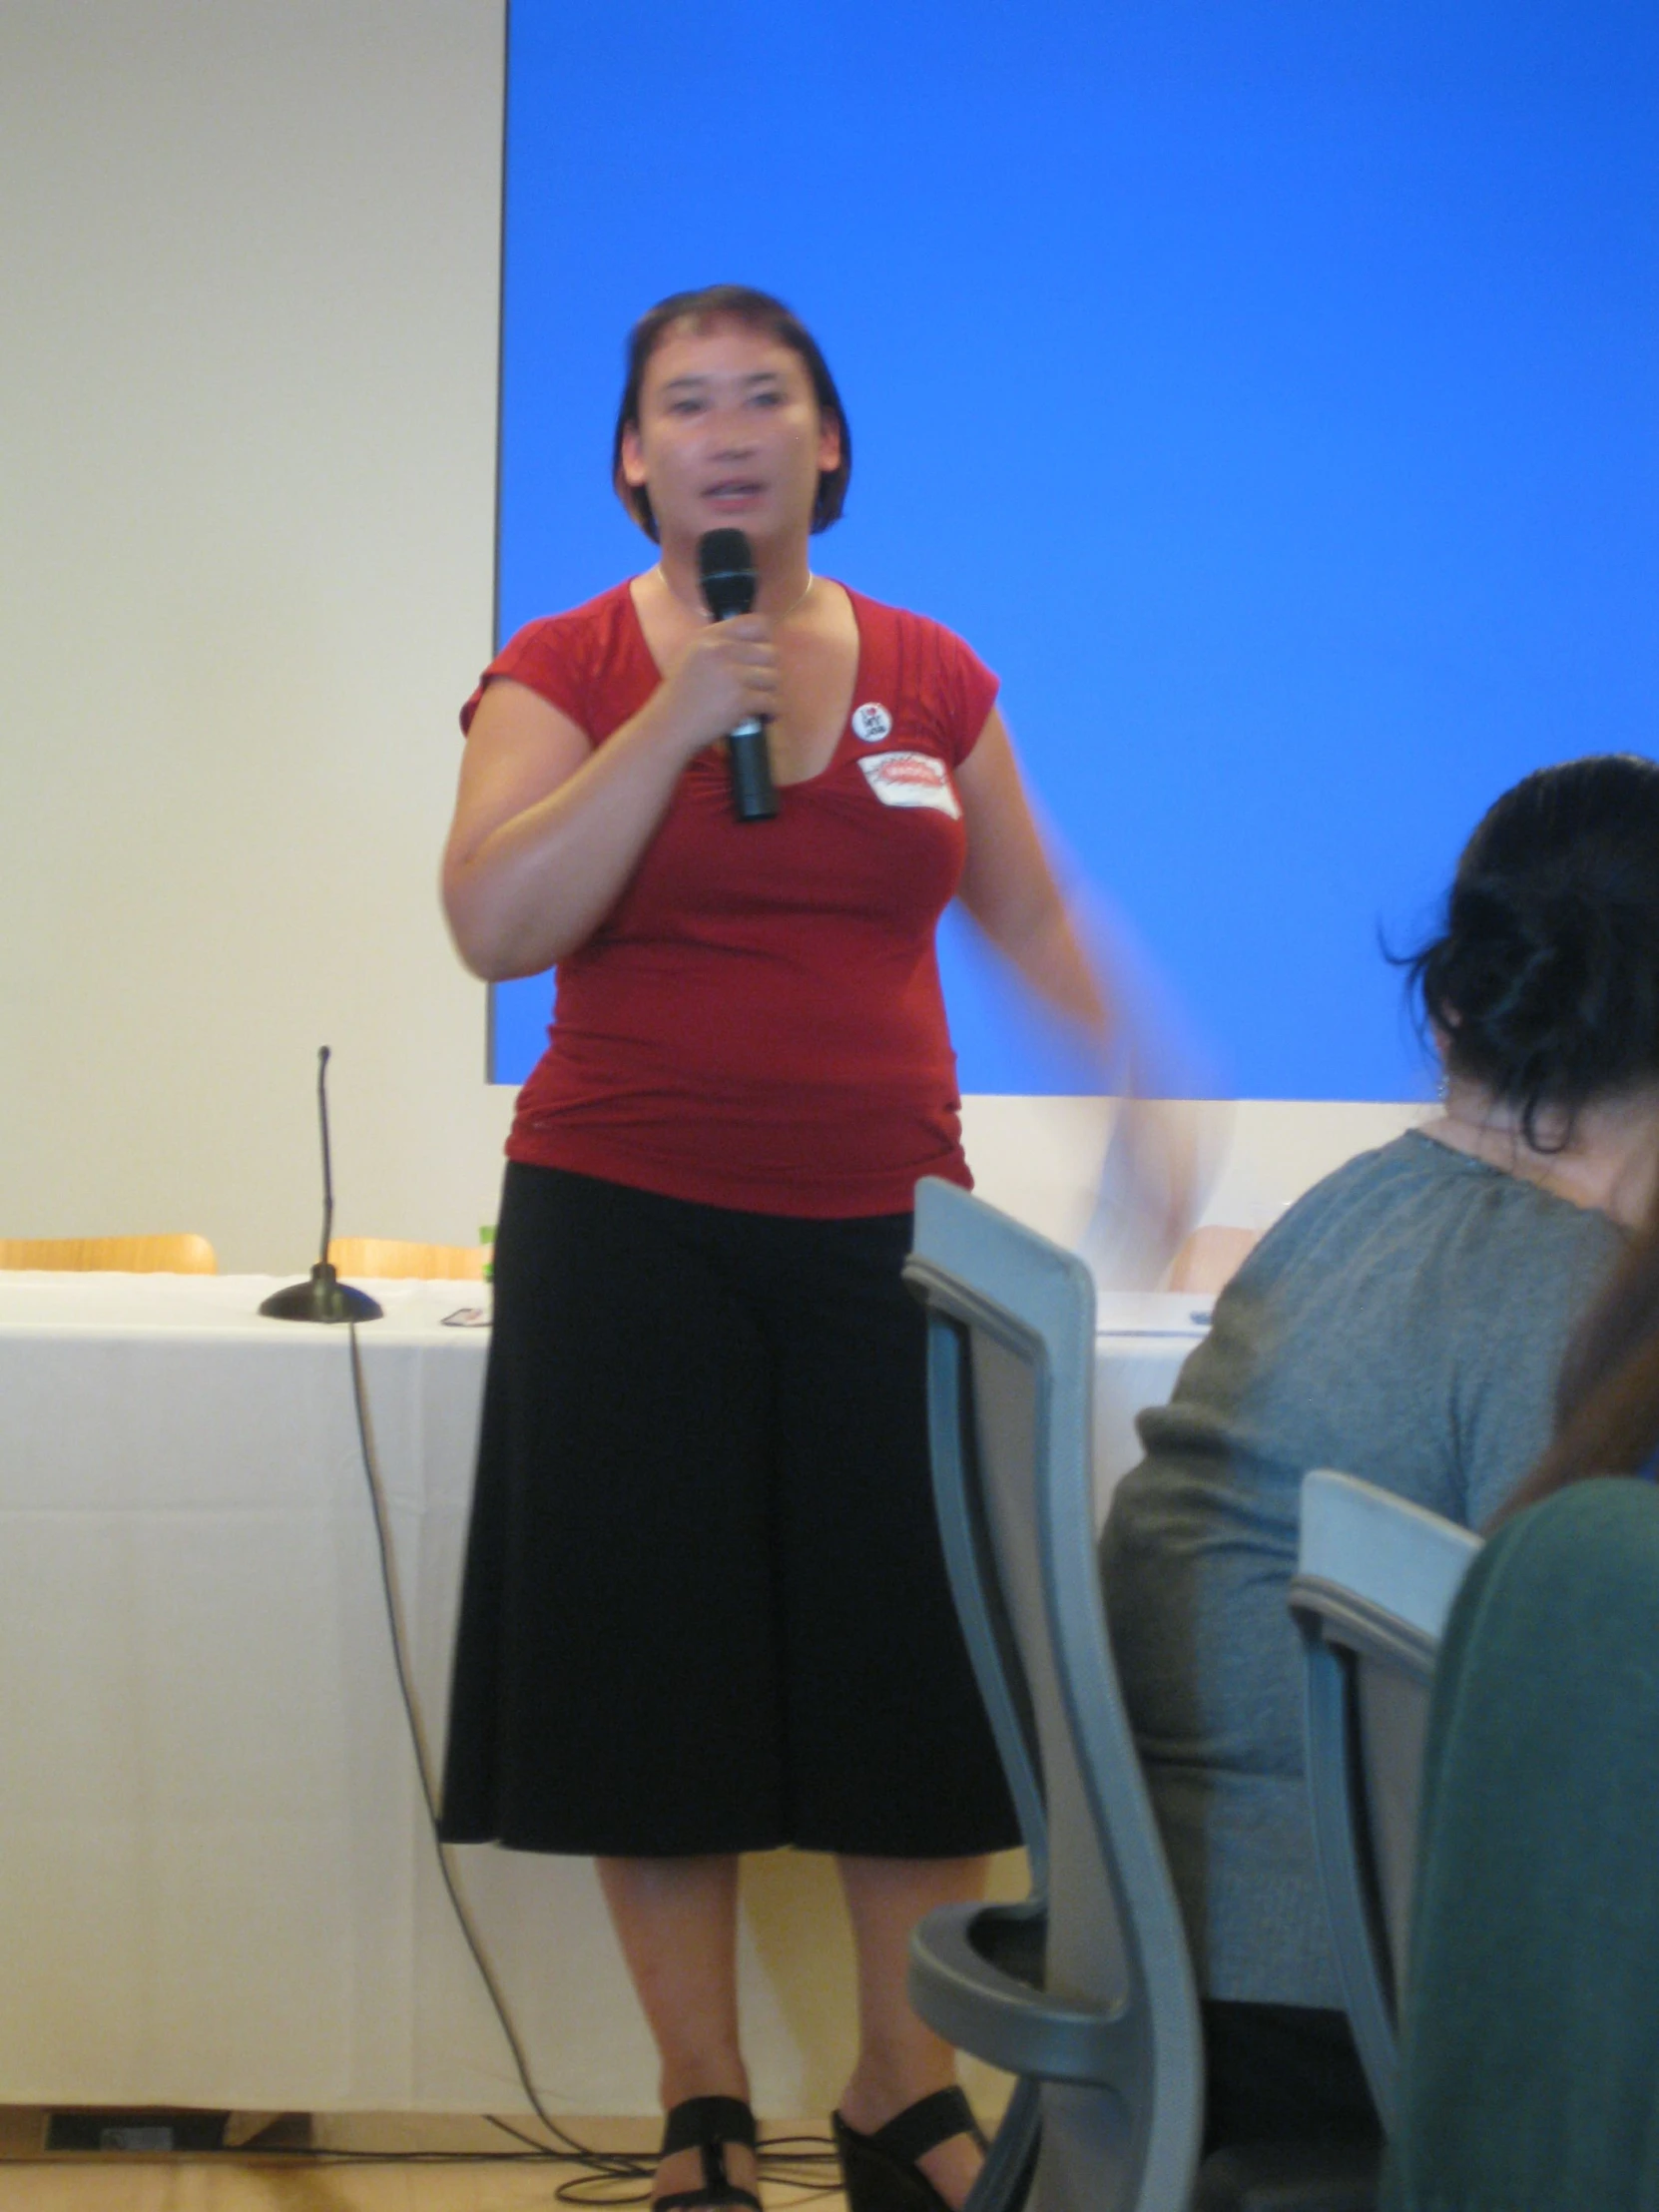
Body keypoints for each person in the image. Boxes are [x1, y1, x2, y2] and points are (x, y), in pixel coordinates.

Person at [436, 284, 1121, 2212]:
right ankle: (701, 2111)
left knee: (908, 1678)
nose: (728, 429)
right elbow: (492, 925)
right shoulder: (562, 666)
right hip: (626, 1231)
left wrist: (1144, 1080)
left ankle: (901, 2095)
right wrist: (668, 722)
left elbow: (1029, 919)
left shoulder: (930, 671)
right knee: (650, 1680)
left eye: (767, 396)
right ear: (634, 459)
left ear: (825, 443)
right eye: (685, 403)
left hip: (882, 1240)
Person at [1100, 752, 1659, 2157]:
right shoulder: (1559, 1298)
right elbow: (1573, 1747)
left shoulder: (1356, 1207)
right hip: (1326, 1995)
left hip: (1176, 1942)